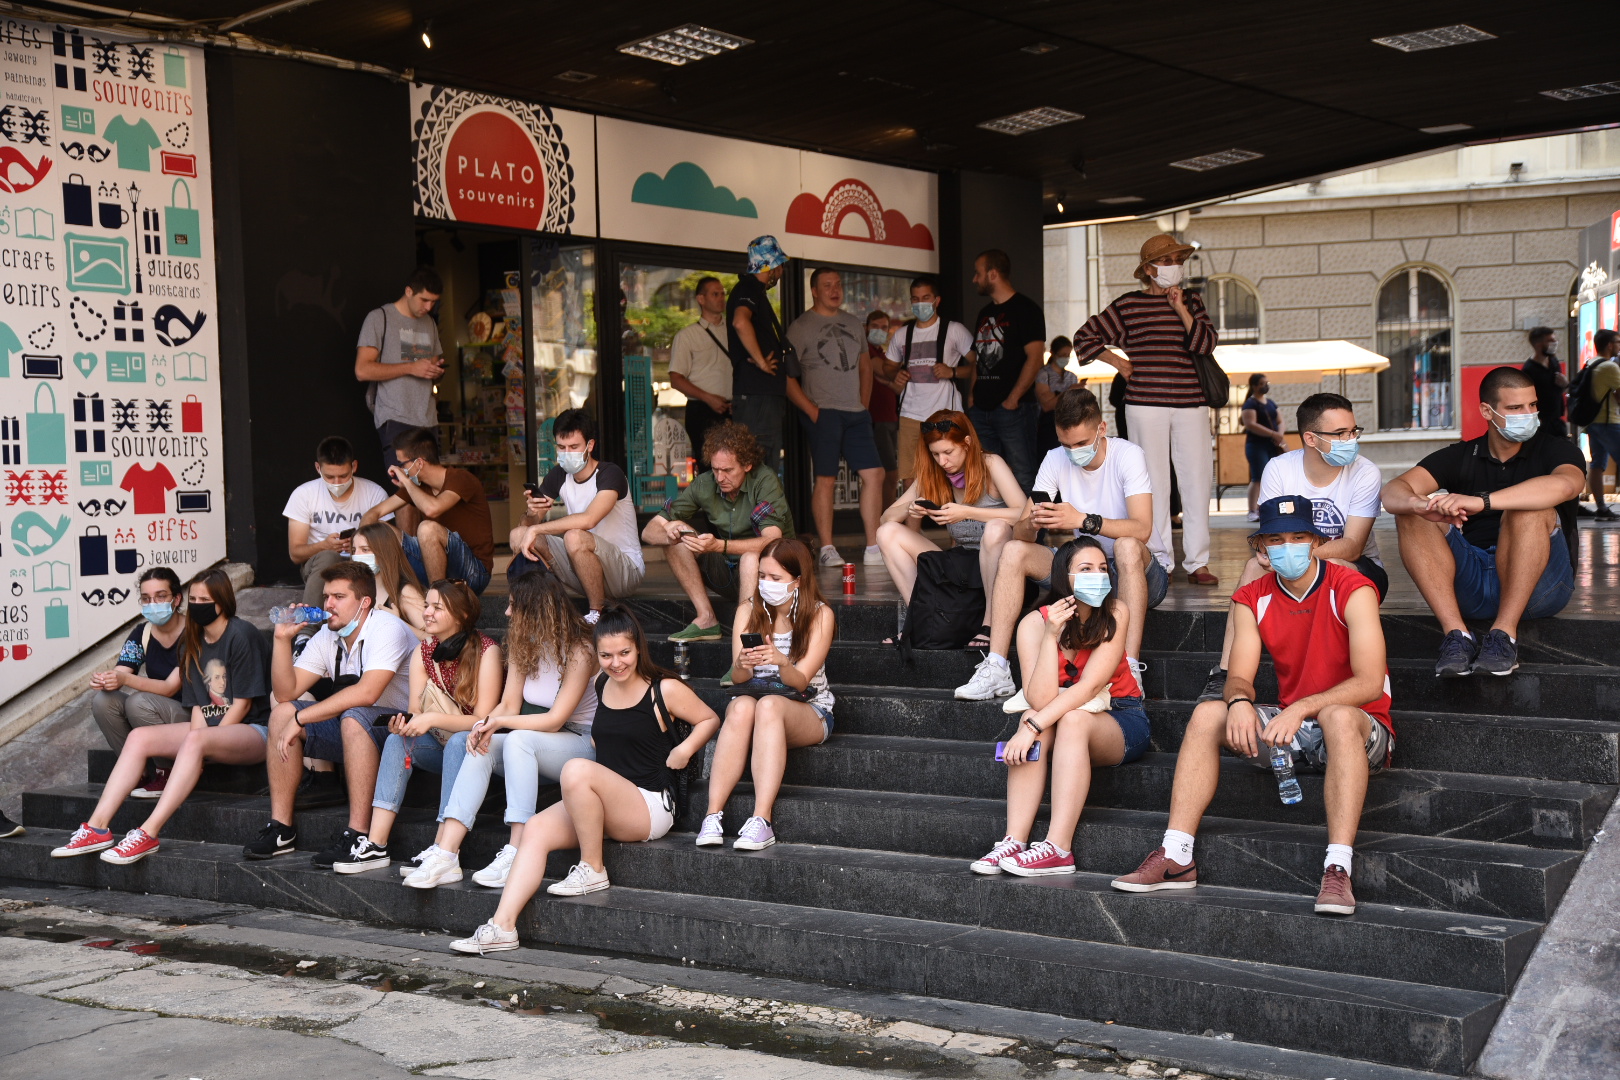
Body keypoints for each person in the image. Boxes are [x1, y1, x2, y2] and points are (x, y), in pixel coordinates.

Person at [1112, 495, 1394, 916]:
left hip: (1362, 728)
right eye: (1276, 540)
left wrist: (1300, 708)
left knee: (1335, 715)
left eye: (1299, 537)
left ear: (1316, 541)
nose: (1288, 547)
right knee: (1210, 713)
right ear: (1261, 549)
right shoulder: (1252, 598)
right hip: (1295, 731)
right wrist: (1241, 700)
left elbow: (1370, 681)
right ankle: (1176, 855)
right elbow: (1239, 675)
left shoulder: (1352, 588)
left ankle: (1338, 868)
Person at [450, 607, 719, 954]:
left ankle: (593, 867)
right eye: (606, 655)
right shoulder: (601, 683)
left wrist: (684, 749)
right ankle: (502, 926)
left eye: (624, 653)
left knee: (576, 769)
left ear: (638, 648)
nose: (615, 663)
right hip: (604, 799)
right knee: (534, 829)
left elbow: (709, 719)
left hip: (649, 804)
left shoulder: (662, 689)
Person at [956, 387, 1162, 702]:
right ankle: (997, 665)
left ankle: (1130, 666)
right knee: (1013, 551)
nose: (1073, 452)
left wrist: (1083, 520)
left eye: (1081, 443)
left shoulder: (1128, 455)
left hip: (1138, 572)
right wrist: (1032, 521)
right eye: (1065, 445)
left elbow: (1142, 528)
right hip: (1086, 573)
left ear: (1101, 429)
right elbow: (1022, 536)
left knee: (1126, 547)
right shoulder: (1054, 460)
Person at [52, 569, 270, 864]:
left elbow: (243, 705)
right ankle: (97, 828)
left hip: (253, 730)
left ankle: (147, 833)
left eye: (204, 599)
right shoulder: (194, 639)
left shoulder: (241, 633)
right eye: (193, 599)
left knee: (195, 738)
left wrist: (204, 743)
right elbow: (197, 706)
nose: (197, 604)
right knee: (140, 737)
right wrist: (199, 739)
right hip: (210, 730)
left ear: (222, 601)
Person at [1383, 366, 1584, 677]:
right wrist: (1422, 504)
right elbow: (1392, 491)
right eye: (1515, 408)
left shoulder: (1556, 448)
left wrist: (1482, 502)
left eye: (1532, 405)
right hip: (1473, 581)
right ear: (1487, 411)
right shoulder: (1461, 455)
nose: (1527, 414)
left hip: (1540, 589)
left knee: (1528, 509)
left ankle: (1504, 635)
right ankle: (1457, 636)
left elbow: (1567, 486)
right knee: (1411, 514)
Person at [972, 537, 1151, 877]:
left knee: (1068, 720)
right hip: (1062, 716)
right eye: (1085, 569)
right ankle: (1014, 840)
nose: (1097, 576)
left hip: (1121, 717)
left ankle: (1058, 847)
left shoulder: (1116, 612)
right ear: (1063, 578)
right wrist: (1051, 635)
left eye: (1103, 569)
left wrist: (1031, 728)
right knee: (1036, 713)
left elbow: (1090, 687)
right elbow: (1039, 699)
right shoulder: (1033, 624)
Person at [410, 573, 600, 889]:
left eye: (514, 606)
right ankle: (446, 853)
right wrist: (484, 727)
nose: (508, 613)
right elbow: (509, 705)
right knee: (476, 744)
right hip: (541, 740)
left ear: (537, 609)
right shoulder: (526, 644)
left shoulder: (580, 649)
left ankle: (518, 848)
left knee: (517, 740)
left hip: (580, 740)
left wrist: (499, 724)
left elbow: (555, 719)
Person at [1200, 394, 1388, 702]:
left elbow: (1352, 546)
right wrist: (1276, 553)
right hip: (1294, 566)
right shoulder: (1279, 469)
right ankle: (1224, 674)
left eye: (1353, 431)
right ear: (1310, 438)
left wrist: (1300, 555)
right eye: (1340, 434)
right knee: (1252, 566)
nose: (1350, 439)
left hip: (1359, 569)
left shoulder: (1365, 472)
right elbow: (1271, 534)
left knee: (1339, 567)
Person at [245, 562, 417, 866]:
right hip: (358, 726)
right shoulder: (328, 635)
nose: (328, 604)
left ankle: (359, 834)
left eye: (338, 597)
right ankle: (281, 829)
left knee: (352, 716)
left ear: (364, 603)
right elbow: (287, 693)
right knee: (281, 712)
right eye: (326, 596)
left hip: (402, 728)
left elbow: (368, 693)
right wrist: (282, 640)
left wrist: (302, 719)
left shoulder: (386, 627)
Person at [1074, 233, 1220, 586]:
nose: (1175, 267)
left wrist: (1181, 308)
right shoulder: (1127, 305)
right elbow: (1084, 338)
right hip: (1144, 402)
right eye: (1167, 261)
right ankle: (1159, 560)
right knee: (1151, 482)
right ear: (1149, 269)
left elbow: (1207, 342)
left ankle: (1197, 562)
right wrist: (1119, 363)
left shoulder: (1193, 301)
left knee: (1197, 479)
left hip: (1191, 402)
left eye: (1178, 260)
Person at [696, 538, 836, 850]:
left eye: (775, 578)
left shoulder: (819, 614)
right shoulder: (748, 609)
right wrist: (742, 664)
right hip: (756, 704)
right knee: (742, 706)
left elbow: (800, 683)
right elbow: (737, 679)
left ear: (797, 581)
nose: (765, 584)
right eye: (762, 576)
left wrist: (781, 661)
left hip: (810, 709)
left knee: (769, 705)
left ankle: (762, 820)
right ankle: (712, 815)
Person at [358, 580, 503, 876]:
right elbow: (416, 712)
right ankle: (376, 843)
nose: (427, 613)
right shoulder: (423, 653)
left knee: (459, 740)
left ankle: (442, 848)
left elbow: (484, 719)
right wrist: (405, 726)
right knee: (396, 743)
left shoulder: (487, 651)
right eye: (427, 605)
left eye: (438, 607)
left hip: (478, 747)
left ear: (461, 615)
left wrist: (431, 720)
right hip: (439, 744)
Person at [876, 410, 1024, 646]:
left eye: (948, 452)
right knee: (887, 533)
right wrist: (910, 507)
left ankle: (990, 625)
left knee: (996, 528)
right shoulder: (935, 473)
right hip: (963, 564)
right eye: (935, 454)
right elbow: (886, 518)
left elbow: (1022, 513)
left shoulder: (990, 463)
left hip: (1001, 564)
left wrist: (968, 511)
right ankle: (919, 619)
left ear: (966, 443)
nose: (942, 461)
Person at [640, 421, 796, 641]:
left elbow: (772, 540)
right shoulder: (705, 484)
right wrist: (669, 529)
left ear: (747, 464)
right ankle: (706, 619)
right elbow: (648, 532)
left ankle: (746, 639)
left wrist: (719, 546)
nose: (720, 477)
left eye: (728, 470)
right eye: (715, 469)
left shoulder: (764, 480)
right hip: (728, 571)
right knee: (676, 537)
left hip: (770, 575)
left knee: (750, 558)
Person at [786, 267, 886, 567]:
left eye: (838, 284)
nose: (835, 289)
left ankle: (873, 547)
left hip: (856, 413)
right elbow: (787, 379)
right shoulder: (801, 327)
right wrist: (813, 411)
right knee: (826, 479)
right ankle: (828, 548)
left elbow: (865, 367)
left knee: (875, 475)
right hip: (823, 412)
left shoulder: (853, 322)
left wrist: (863, 404)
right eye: (827, 285)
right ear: (814, 291)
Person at [506, 409, 645, 618]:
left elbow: (589, 519)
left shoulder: (609, 474)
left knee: (574, 536)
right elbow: (529, 524)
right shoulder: (558, 475)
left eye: (573, 447)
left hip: (625, 572)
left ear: (590, 445)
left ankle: (595, 613)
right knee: (518, 534)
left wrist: (537, 528)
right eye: (561, 447)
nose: (567, 453)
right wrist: (531, 512)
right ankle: (535, 607)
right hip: (584, 571)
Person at [89, 567, 187, 796]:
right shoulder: (142, 633)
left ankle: (168, 773)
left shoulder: (194, 631)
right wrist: (106, 680)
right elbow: (122, 670)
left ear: (177, 598)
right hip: (155, 710)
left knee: (138, 702)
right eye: (146, 598)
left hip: (191, 715)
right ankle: (137, 771)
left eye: (161, 596)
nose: (153, 604)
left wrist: (124, 678)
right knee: (104, 701)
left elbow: (171, 686)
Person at [355, 266, 445, 515]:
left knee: (431, 490)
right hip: (395, 417)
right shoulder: (380, 318)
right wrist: (411, 368)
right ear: (408, 291)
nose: (428, 307)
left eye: (433, 302)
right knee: (405, 491)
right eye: (424, 299)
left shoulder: (430, 323)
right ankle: (408, 552)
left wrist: (435, 370)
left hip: (427, 418)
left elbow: (435, 361)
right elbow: (362, 370)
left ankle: (427, 547)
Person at [363, 426, 495, 595]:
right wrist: (359, 548)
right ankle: (383, 592)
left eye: (401, 464)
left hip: (473, 572)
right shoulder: (416, 486)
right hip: (436, 568)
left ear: (419, 463)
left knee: (427, 528)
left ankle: (437, 598)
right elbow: (373, 513)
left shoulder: (461, 477)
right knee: (381, 529)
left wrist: (405, 480)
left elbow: (433, 508)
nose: (398, 469)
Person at [884, 275, 975, 490]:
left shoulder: (954, 330)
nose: (920, 303)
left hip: (946, 413)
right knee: (910, 476)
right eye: (915, 299)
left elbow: (977, 365)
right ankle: (911, 525)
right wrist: (894, 374)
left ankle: (958, 521)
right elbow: (888, 366)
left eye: (926, 298)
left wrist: (952, 371)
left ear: (937, 300)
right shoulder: (902, 335)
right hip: (910, 413)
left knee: (955, 471)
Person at [968, 250, 1047, 493]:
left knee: (1024, 474)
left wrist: (1013, 399)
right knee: (987, 476)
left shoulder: (1027, 309)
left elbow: (1035, 358)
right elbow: (978, 359)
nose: (974, 279)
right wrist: (972, 396)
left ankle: (1030, 532)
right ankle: (999, 530)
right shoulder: (984, 313)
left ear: (992, 274)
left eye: (978, 273)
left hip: (1015, 410)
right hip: (982, 410)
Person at [284, 436, 392, 607]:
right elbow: (295, 554)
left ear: (354, 466)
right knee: (329, 557)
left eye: (343, 476)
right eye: (329, 476)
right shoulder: (303, 494)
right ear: (318, 468)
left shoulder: (374, 493)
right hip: (319, 565)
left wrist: (359, 547)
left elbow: (389, 542)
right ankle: (307, 629)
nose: (337, 483)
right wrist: (324, 546)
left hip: (363, 563)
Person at [727, 235, 791, 475]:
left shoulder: (752, 291)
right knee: (760, 468)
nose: (781, 271)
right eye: (780, 265)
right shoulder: (749, 288)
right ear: (772, 266)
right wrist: (762, 361)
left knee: (761, 466)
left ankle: (762, 513)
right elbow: (740, 322)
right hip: (758, 397)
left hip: (760, 396)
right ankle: (759, 514)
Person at [669, 275, 733, 465]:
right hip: (703, 409)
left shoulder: (734, 331)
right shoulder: (687, 336)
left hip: (734, 408)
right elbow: (676, 379)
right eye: (715, 294)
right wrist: (708, 398)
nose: (721, 298)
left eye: (722, 293)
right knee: (710, 468)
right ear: (701, 299)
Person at [351, 523, 426, 638]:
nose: (356, 556)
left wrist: (397, 623)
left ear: (384, 552)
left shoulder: (405, 592)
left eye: (365, 550)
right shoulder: (355, 590)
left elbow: (435, 641)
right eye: (354, 550)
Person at [1579, 329, 1620, 520]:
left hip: (1593, 422)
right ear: (1610, 345)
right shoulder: (1610, 367)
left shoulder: (1590, 363)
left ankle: (1602, 509)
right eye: (1618, 342)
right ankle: (1602, 509)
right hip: (1608, 422)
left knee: (1597, 465)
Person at [865, 310, 903, 508]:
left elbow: (899, 384)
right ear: (866, 327)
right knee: (889, 474)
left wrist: (888, 381)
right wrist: (890, 375)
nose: (879, 331)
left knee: (889, 475)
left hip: (891, 419)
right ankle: (885, 521)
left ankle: (886, 520)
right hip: (876, 420)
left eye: (884, 327)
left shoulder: (883, 353)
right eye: (875, 326)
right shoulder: (867, 351)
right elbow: (886, 371)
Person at [1239, 374, 1286, 521]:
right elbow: (1250, 424)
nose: (1265, 386)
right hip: (1256, 445)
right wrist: (1273, 433)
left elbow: (1280, 420)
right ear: (1254, 386)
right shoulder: (1250, 404)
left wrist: (1279, 434)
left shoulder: (1271, 403)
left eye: (1267, 383)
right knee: (1258, 477)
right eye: (1262, 383)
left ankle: (1270, 508)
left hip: (1272, 444)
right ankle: (1252, 511)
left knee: (1275, 477)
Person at [1034, 337, 1079, 455]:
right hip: (1047, 427)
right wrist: (1069, 391)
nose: (1065, 358)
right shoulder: (1043, 374)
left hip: (1068, 424)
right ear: (1053, 353)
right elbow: (1047, 405)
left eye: (1068, 355)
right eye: (1062, 354)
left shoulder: (1072, 376)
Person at [1521, 326, 1567, 439]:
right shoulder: (1529, 370)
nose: (1555, 343)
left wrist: (1565, 384)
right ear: (1538, 344)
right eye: (1550, 341)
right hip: (1541, 423)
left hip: (1557, 420)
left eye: (1555, 340)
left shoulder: (1553, 361)